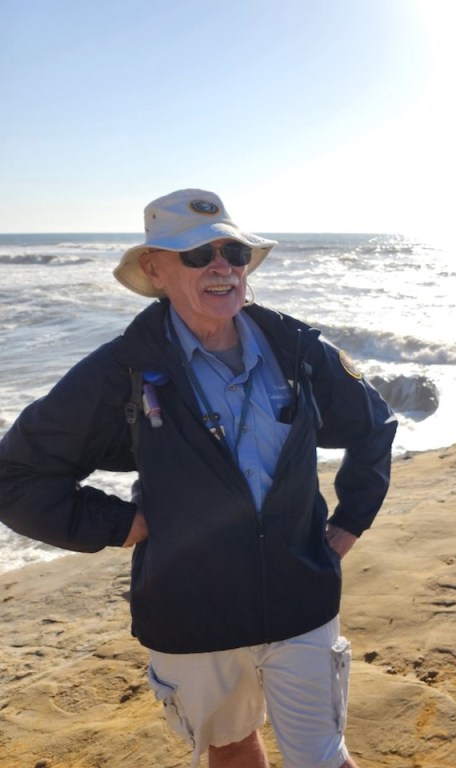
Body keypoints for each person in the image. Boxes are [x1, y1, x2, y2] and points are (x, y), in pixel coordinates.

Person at [0, 189, 398, 768]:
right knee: (232, 748)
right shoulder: (121, 370)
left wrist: (350, 522)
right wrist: (121, 523)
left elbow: (373, 424)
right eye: (196, 255)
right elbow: (16, 474)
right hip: (192, 607)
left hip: (302, 596)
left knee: (323, 757)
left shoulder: (298, 349)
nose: (221, 267)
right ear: (155, 270)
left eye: (233, 252)